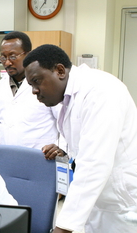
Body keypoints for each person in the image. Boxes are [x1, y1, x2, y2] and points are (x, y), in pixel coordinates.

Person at [23, 44, 137, 233]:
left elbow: (94, 163)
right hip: (97, 201)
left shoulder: (102, 91)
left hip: (123, 205)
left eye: (37, 81)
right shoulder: (66, 98)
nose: (34, 91)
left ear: (60, 70)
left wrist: (64, 227)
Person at [0, 31, 65, 164]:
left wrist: (60, 146)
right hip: (5, 159)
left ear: (28, 55)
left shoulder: (46, 87)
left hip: (40, 159)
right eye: (3, 57)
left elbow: (64, 121)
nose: (7, 62)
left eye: (13, 56)